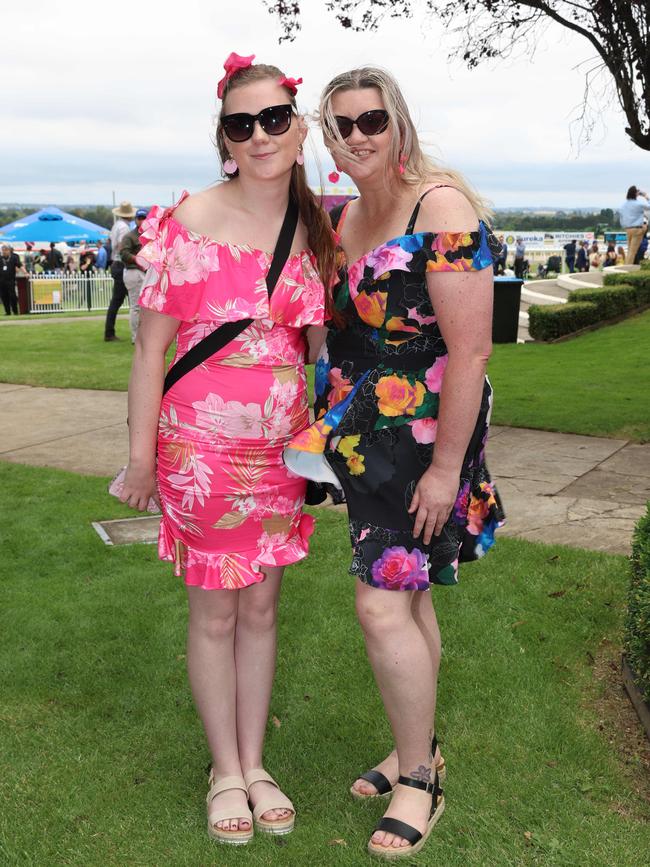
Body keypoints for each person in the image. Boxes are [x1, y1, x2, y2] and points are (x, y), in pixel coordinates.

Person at [286, 66, 504, 860]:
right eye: (340, 126)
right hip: (366, 435)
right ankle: (418, 746)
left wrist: (448, 469)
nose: (358, 137)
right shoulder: (346, 215)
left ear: (398, 120)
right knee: (406, 597)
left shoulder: (436, 205)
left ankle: (421, 777)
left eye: (371, 119)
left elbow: (471, 347)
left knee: (381, 605)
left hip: (424, 437)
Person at [119, 52, 335, 845]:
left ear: (298, 125)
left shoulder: (312, 224)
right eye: (243, 124)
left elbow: (317, 349)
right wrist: (140, 458)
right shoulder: (190, 222)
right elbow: (151, 351)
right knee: (216, 609)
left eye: (274, 118)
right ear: (226, 137)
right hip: (199, 452)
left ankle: (256, 760)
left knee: (264, 605)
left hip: (280, 456)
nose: (260, 135)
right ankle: (225, 770)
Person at [104, 200, 135, 341]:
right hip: (121, 264)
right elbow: (123, 248)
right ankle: (109, 333)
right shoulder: (125, 229)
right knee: (125, 301)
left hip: (116, 264)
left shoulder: (117, 225)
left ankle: (109, 331)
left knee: (117, 301)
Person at [119, 208, 148, 344]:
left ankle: (144, 336)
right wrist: (137, 259)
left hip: (146, 273)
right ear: (136, 219)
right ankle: (136, 337)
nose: (142, 221)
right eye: (140, 218)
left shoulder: (151, 235)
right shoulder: (130, 236)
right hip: (134, 272)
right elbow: (123, 253)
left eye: (144, 218)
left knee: (146, 308)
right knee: (136, 306)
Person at [619, 185, 649, 265]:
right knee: (632, 252)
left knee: (630, 251)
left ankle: (626, 266)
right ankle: (627, 269)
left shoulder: (623, 205)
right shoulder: (638, 204)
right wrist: (646, 196)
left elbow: (621, 219)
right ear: (636, 194)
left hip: (628, 229)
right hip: (637, 229)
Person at [0, 244, 21, 315]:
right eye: (3, 250)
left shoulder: (14, 258)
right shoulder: (0, 258)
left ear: (9, 251)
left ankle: (15, 311)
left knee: (12, 296)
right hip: (1, 281)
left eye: (5, 250)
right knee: (4, 297)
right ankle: (7, 312)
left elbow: (19, 265)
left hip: (10, 281)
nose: (4, 252)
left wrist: (26, 273)